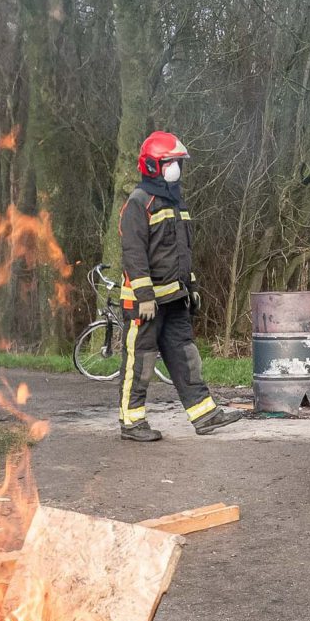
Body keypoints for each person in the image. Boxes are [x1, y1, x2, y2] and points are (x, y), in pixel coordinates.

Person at [115, 131, 249, 441]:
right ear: (153, 166)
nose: (176, 168)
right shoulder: (139, 202)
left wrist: (192, 286)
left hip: (175, 299)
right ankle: (132, 422)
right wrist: (145, 296)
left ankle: (205, 415)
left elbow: (182, 252)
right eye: (171, 162)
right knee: (141, 362)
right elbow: (134, 253)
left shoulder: (176, 203)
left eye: (178, 162)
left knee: (186, 356)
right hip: (145, 305)